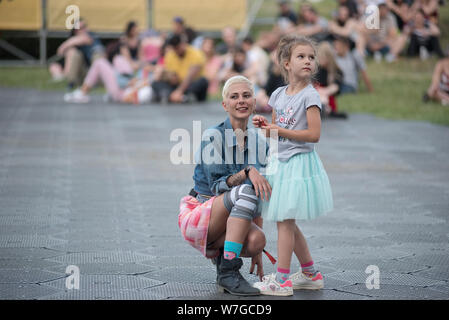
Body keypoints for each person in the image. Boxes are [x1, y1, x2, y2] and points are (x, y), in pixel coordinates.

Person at [251, 35, 333, 296]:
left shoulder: (311, 96)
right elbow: (276, 133)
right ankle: (310, 274)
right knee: (287, 221)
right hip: (280, 162)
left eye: (311, 57)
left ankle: (283, 280)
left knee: (284, 221)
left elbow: (314, 135)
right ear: (286, 63)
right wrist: (266, 127)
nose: (308, 61)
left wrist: (280, 131)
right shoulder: (277, 95)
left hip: (299, 164)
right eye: (301, 56)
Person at [178, 75, 272, 296]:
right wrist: (248, 171)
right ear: (225, 104)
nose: (241, 100)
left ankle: (220, 254)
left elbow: (257, 195)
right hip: (200, 218)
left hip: (237, 211)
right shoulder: (213, 137)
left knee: (257, 240)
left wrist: (257, 252)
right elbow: (218, 187)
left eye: (247, 95)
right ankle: (228, 272)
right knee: (245, 189)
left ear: (254, 102)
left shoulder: (260, 142)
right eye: (234, 96)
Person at [63, 57, 153, 104]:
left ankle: (83, 92)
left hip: (123, 92)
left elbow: (141, 85)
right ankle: (83, 91)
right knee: (118, 60)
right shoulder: (149, 71)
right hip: (125, 87)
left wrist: (135, 81)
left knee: (100, 63)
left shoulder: (152, 75)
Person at [151, 34, 208, 103]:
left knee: (203, 81)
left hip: (190, 84)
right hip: (177, 84)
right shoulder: (170, 55)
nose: (177, 50)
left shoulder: (196, 53)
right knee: (156, 83)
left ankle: (180, 96)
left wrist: (179, 91)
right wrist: (171, 78)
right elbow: (169, 73)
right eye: (174, 47)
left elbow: (190, 76)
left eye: (178, 46)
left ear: (183, 44)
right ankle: (178, 97)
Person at [49, 18, 105, 89]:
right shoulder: (74, 46)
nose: (84, 30)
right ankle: (71, 82)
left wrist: (66, 44)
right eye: (81, 28)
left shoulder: (91, 36)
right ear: (75, 31)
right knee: (72, 54)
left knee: (97, 55)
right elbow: (60, 53)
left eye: (85, 26)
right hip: (82, 74)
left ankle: (97, 82)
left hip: (95, 72)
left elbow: (85, 39)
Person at [314, 41, 347, 119]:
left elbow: (335, 87)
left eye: (322, 57)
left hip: (328, 99)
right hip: (317, 97)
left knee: (324, 97)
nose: (319, 60)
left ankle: (325, 109)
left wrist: (323, 92)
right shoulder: (316, 70)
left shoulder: (336, 71)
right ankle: (322, 108)